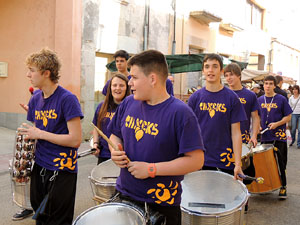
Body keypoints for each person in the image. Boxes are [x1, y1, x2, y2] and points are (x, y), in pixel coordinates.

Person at [107, 50, 205, 225]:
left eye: (134, 78)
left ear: (152, 79)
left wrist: (152, 169)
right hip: (125, 194)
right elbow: (115, 135)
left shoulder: (181, 113)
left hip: (162, 204)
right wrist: (115, 150)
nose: (129, 83)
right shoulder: (129, 103)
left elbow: (196, 161)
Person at [18, 48, 84, 224]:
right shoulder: (35, 98)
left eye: (32, 70)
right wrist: (23, 165)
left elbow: (76, 140)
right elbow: (35, 133)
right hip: (40, 165)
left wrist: (40, 133)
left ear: (46, 73)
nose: (28, 74)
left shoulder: (68, 99)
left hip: (62, 169)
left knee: (58, 219)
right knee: (40, 216)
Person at [188, 54, 246, 180]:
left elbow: (236, 133)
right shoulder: (195, 98)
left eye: (215, 66)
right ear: (203, 71)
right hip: (200, 160)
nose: (210, 70)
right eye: (207, 67)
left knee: (224, 198)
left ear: (221, 71)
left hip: (225, 161)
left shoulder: (232, 98)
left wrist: (238, 164)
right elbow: (188, 132)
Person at [257, 75, 292, 199]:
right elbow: (258, 117)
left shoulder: (281, 99)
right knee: (266, 163)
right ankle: (269, 185)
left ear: (275, 86)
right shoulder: (260, 100)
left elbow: (288, 116)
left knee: (280, 162)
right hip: (265, 136)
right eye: (266, 83)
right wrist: (258, 127)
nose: (268, 86)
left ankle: (283, 187)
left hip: (279, 136)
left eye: (270, 84)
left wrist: (277, 124)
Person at [92, 74, 130, 164]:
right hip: (104, 155)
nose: (117, 88)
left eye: (121, 85)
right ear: (110, 88)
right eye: (114, 85)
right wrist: (95, 144)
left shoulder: (130, 107)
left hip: (122, 157)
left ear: (127, 88)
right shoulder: (101, 106)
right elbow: (96, 128)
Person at [102, 50, 174, 96]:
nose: (119, 63)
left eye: (121, 61)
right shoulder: (110, 81)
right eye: (117, 61)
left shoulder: (166, 83)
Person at [224, 63, 260, 147]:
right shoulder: (222, 94)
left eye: (231, 75)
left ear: (239, 75)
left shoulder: (250, 95)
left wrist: (254, 135)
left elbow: (255, 117)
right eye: (226, 75)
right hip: (224, 138)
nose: (228, 78)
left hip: (243, 139)